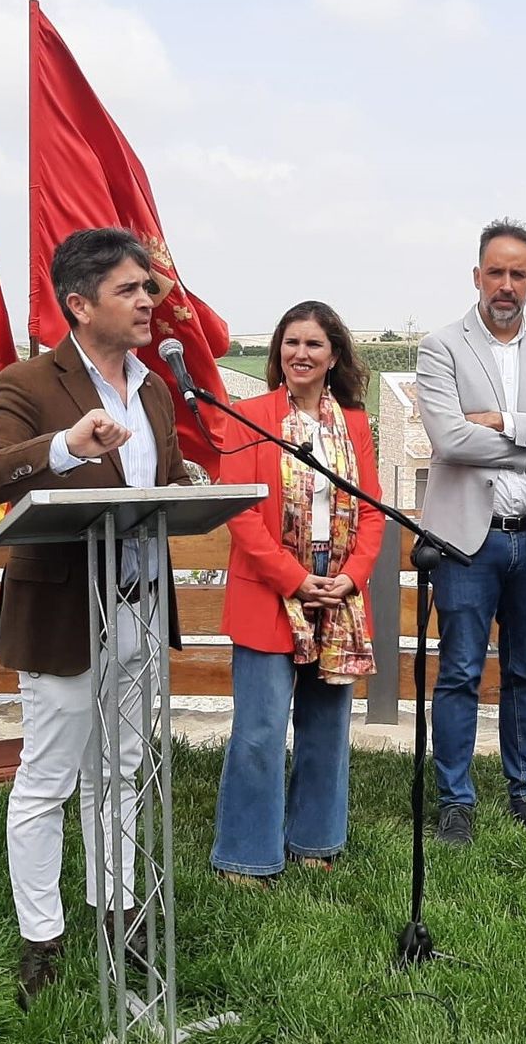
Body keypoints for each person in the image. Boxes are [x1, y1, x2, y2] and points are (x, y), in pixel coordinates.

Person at [0, 226, 190, 1007]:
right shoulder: (29, 383)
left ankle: (118, 913)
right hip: (61, 613)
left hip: (139, 609)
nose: (148, 300)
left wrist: (190, 490)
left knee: (119, 772)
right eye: (130, 289)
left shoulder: (155, 389)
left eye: (148, 287)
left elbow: (162, 487)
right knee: (48, 779)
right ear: (81, 304)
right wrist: (62, 446)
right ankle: (41, 939)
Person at [418, 218, 526, 845]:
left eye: (518, 274)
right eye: (496, 272)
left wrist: (501, 421)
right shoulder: (441, 347)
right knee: (460, 672)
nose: (506, 284)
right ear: (477, 276)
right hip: (468, 541)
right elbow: (450, 440)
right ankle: (455, 801)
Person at [211, 301, 385, 883]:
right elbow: (238, 511)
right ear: (278, 353)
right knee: (259, 731)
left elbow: (372, 511)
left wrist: (350, 577)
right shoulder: (248, 417)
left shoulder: (354, 424)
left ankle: (315, 841)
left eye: (313, 344)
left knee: (326, 727)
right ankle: (246, 855)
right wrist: (292, 578)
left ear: (334, 356)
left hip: (338, 592)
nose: (300, 354)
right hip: (269, 588)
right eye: (291, 343)